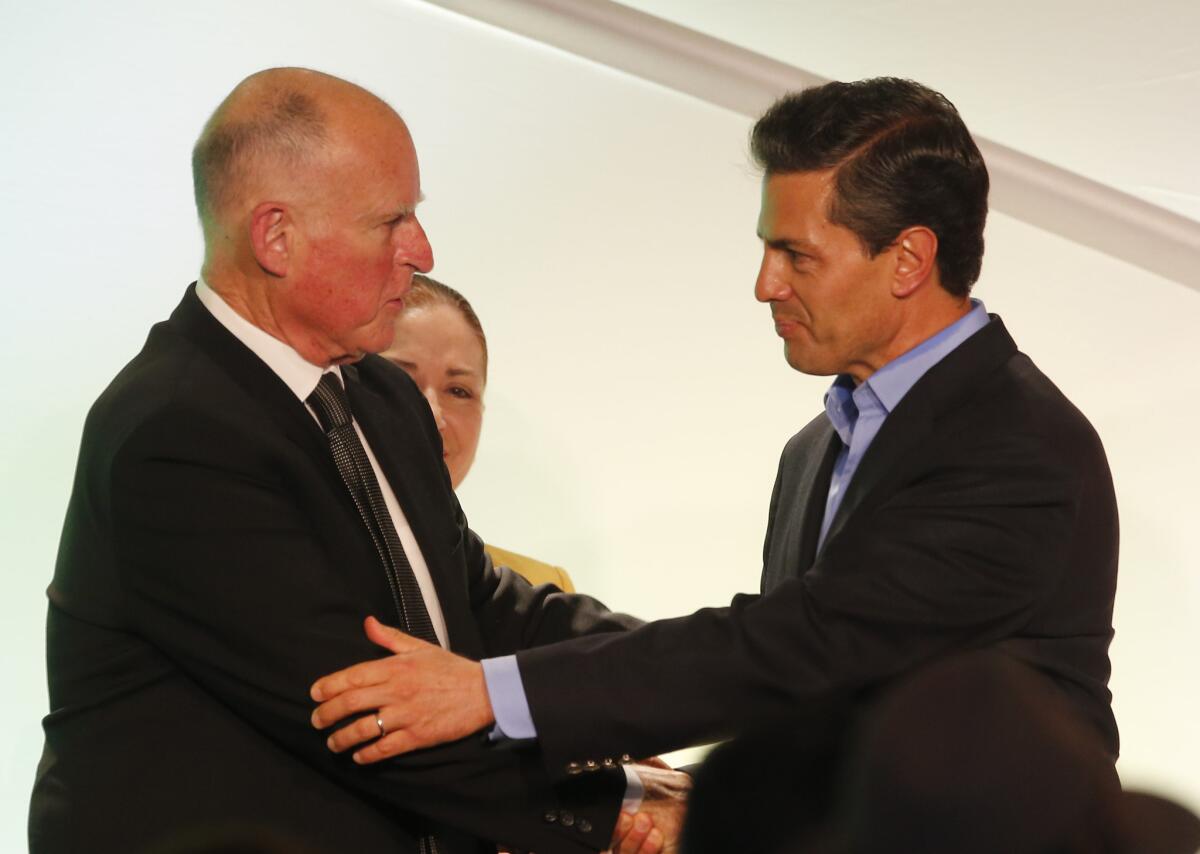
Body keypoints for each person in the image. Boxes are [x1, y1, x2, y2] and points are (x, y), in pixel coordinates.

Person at [309, 77, 1121, 848]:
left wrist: (492, 692)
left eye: (798, 255)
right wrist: (705, 792)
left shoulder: (1015, 444)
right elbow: (812, 697)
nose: (765, 284)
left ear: (908, 259)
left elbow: (801, 646)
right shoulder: (818, 449)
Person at [29, 67, 687, 854]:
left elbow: (480, 609)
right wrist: (620, 806)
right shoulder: (175, 435)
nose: (423, 250)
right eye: (392, 221)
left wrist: (722, 671)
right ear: (277, 236)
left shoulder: (375, 394)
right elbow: (360, 710)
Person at [381, 274, 574, 590]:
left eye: (458, 391)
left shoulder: (541, 587)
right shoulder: (294, 559)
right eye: (400, 379)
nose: (432, 414)